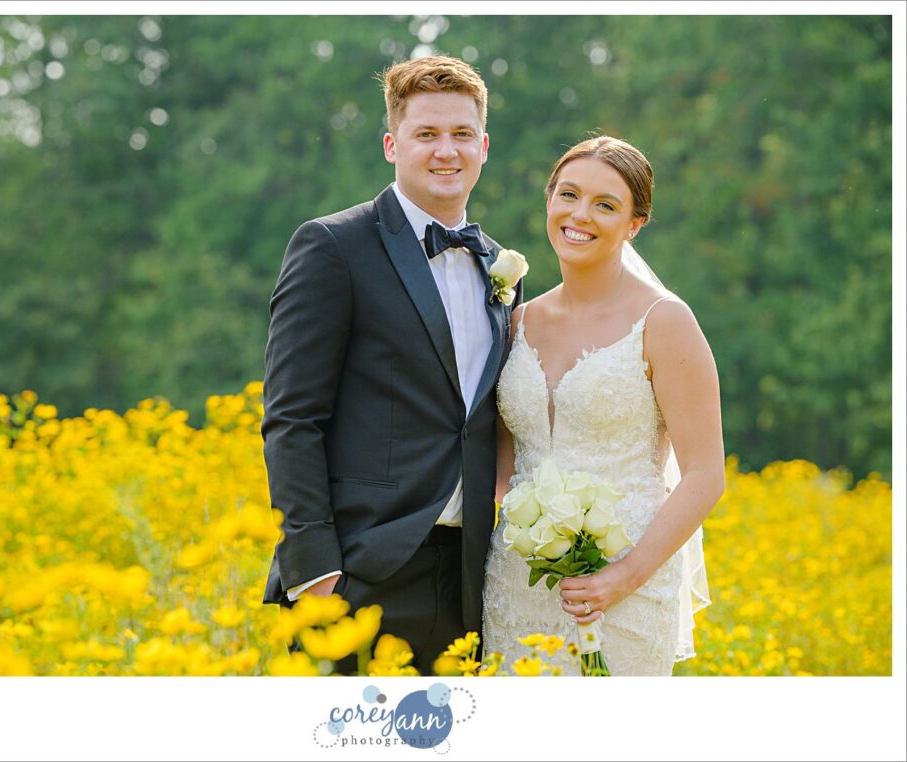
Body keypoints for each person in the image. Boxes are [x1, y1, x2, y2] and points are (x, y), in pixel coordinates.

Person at [261, 56, 522, 674]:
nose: (445, 151)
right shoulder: (332, 246)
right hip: (358, 574)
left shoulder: (499, 266)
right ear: (391, 144)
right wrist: (316, 573)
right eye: (425, 134)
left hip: (469, 585)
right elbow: (291, 419)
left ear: (483, 146)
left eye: (461, 134)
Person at [482, 136, 724, 675]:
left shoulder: (665, 322)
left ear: (635, 223)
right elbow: (503, 469)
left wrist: (625, 575)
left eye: (606, 205)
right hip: (517, 583)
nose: (580, 215)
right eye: (568, 195)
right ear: (548, 200)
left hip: (625, 588)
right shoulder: (517, 321)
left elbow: (706, 475)